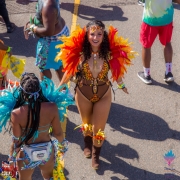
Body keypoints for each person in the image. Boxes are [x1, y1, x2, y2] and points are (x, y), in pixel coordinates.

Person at [56, 20, 136, 169]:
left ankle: (95, 155)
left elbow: (117, 72)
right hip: (82, 94)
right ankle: (87, 144)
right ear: (86, 35)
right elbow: (69, 71)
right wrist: (59, 87)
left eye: (99, 34)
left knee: (98, 129)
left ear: (103, 36)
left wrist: (122, 85)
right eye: (92, 34)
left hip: (103, 95)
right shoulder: (79, 53)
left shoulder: (109, 54)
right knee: (86, 124)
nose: (95, 37)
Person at [0, 73, 74, 180]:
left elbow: (16, 141)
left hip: (26, 155)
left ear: (22, 92)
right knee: (49, 177)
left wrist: (11, 159)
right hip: (47, 152)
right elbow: (58, 133)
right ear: (40, 90)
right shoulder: (52, 107)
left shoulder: (16, 114)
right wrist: (63, 147)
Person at [24, 0, 69, 83]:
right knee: (59, 65)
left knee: (44, 67)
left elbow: (49, 31)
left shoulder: (48, 6)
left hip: (51, 41)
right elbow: (43, 15)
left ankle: (47, 91)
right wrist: (31, 22)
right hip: (60, 36)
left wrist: (33, 28)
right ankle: (64, 91)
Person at [137, 0, 180, 84]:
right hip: (167, 18)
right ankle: (168, 73)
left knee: (146, 46)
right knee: (167, 43)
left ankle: (147, 75)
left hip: (150, 19)